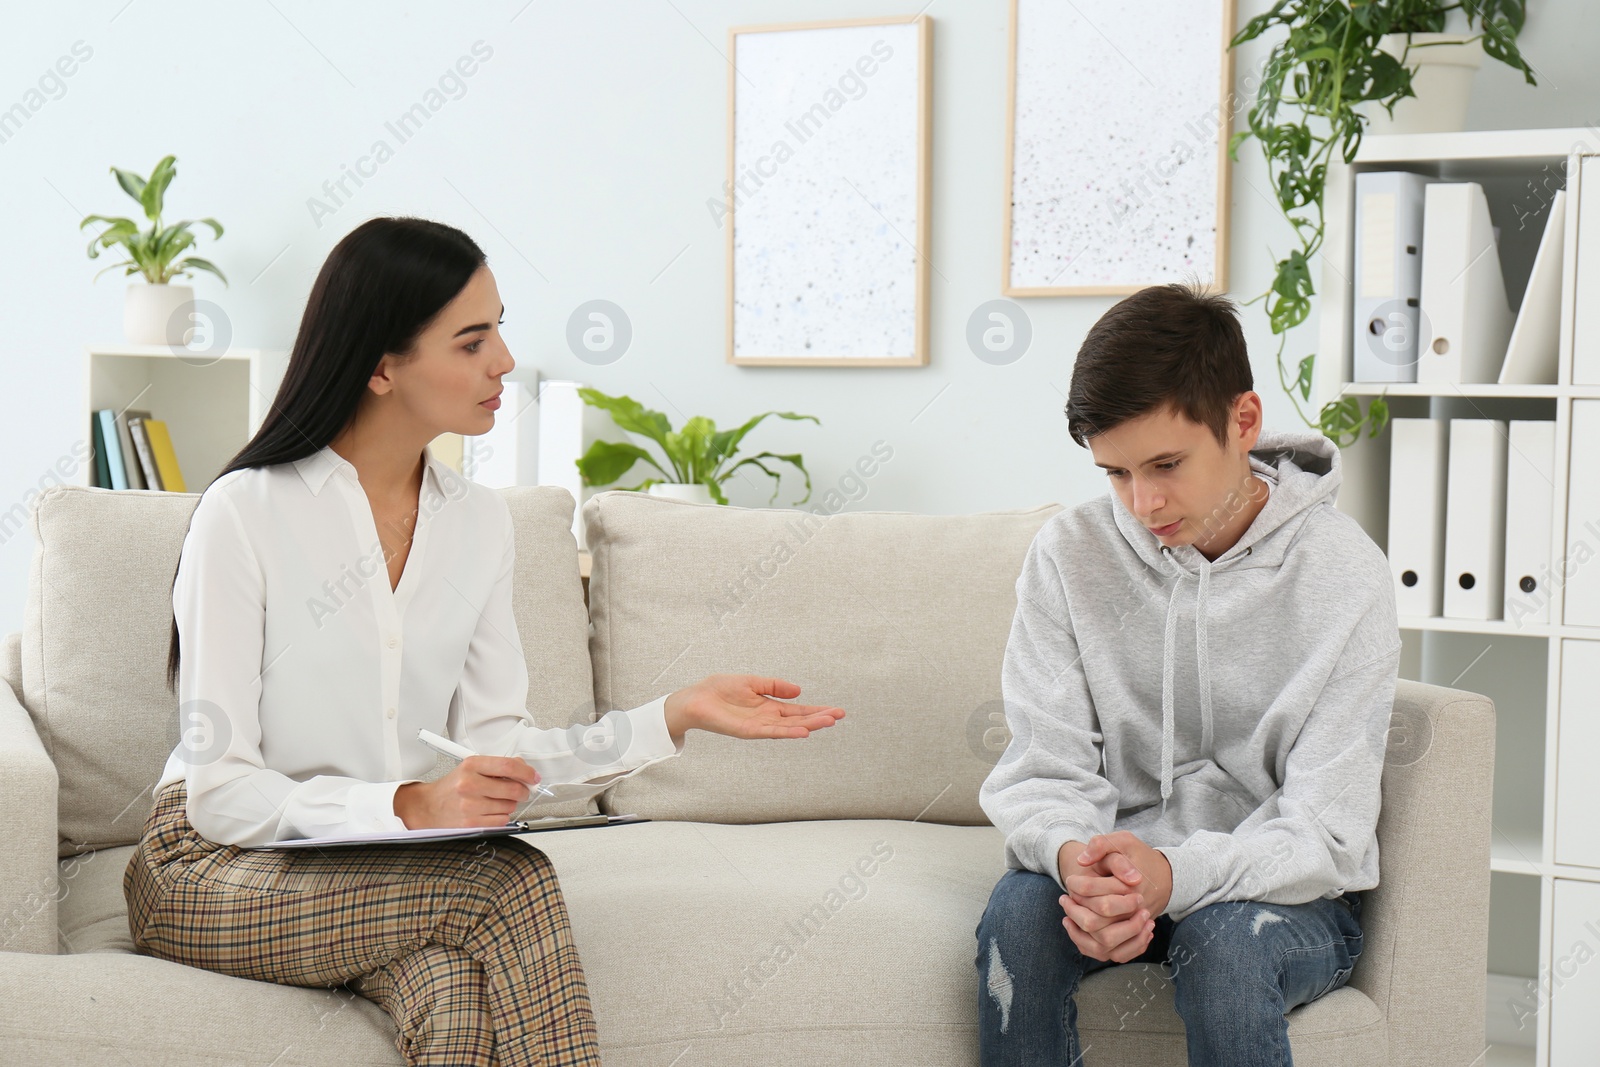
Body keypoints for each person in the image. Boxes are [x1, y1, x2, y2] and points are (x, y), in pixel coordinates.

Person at [122, 216, 846, 1067]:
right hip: (207, 866)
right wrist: (407, 805)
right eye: (472, 340)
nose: (503, 360)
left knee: (455, 1000)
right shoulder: (246, 512)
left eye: (500, 328)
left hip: (368, 867)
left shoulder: (477, 523)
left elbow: (497, 746)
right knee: (508, 879)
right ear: (382, 365)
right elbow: (221, 794)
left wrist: (672, 715)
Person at [974, 282, 1399, 1066]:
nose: (1143, 502)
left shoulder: (1346, 575)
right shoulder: (1069, 556)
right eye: (1116, 473)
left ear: (1243, 421)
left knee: (1224, 945)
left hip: (1277, 897)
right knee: (1019, 917)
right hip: (1119, 871)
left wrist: (1180, 873)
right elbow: (1042, 768)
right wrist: (1077, 857)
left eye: (1167, 463)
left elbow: (1328, 831)